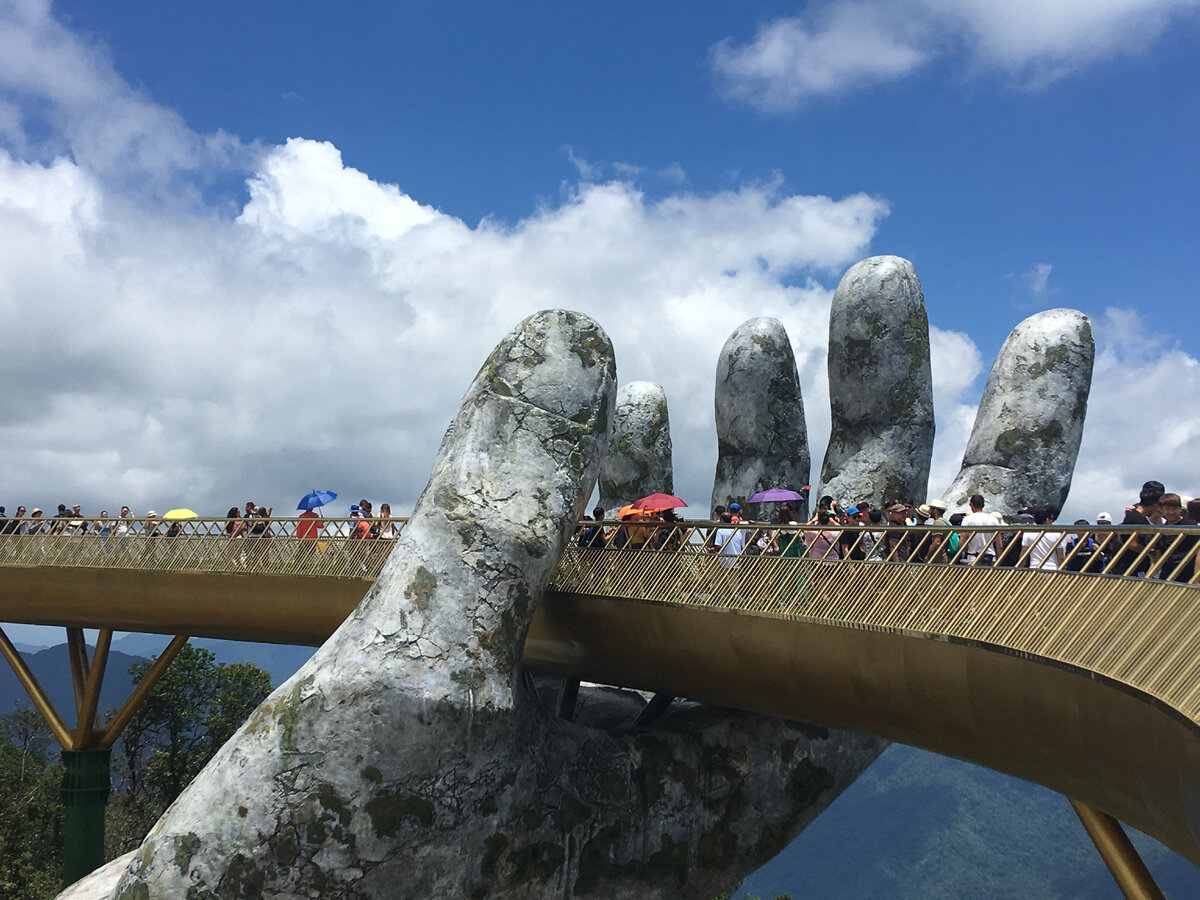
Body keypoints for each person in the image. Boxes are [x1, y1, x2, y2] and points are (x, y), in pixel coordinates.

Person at [961, 494, 1002, 566]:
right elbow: (999, 545)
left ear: (971, 505)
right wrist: (998, 561)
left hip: (973, 558)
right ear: (983, 505)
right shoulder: (993, 519)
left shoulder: (967, 520)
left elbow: (962, 543)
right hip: (991, 558)